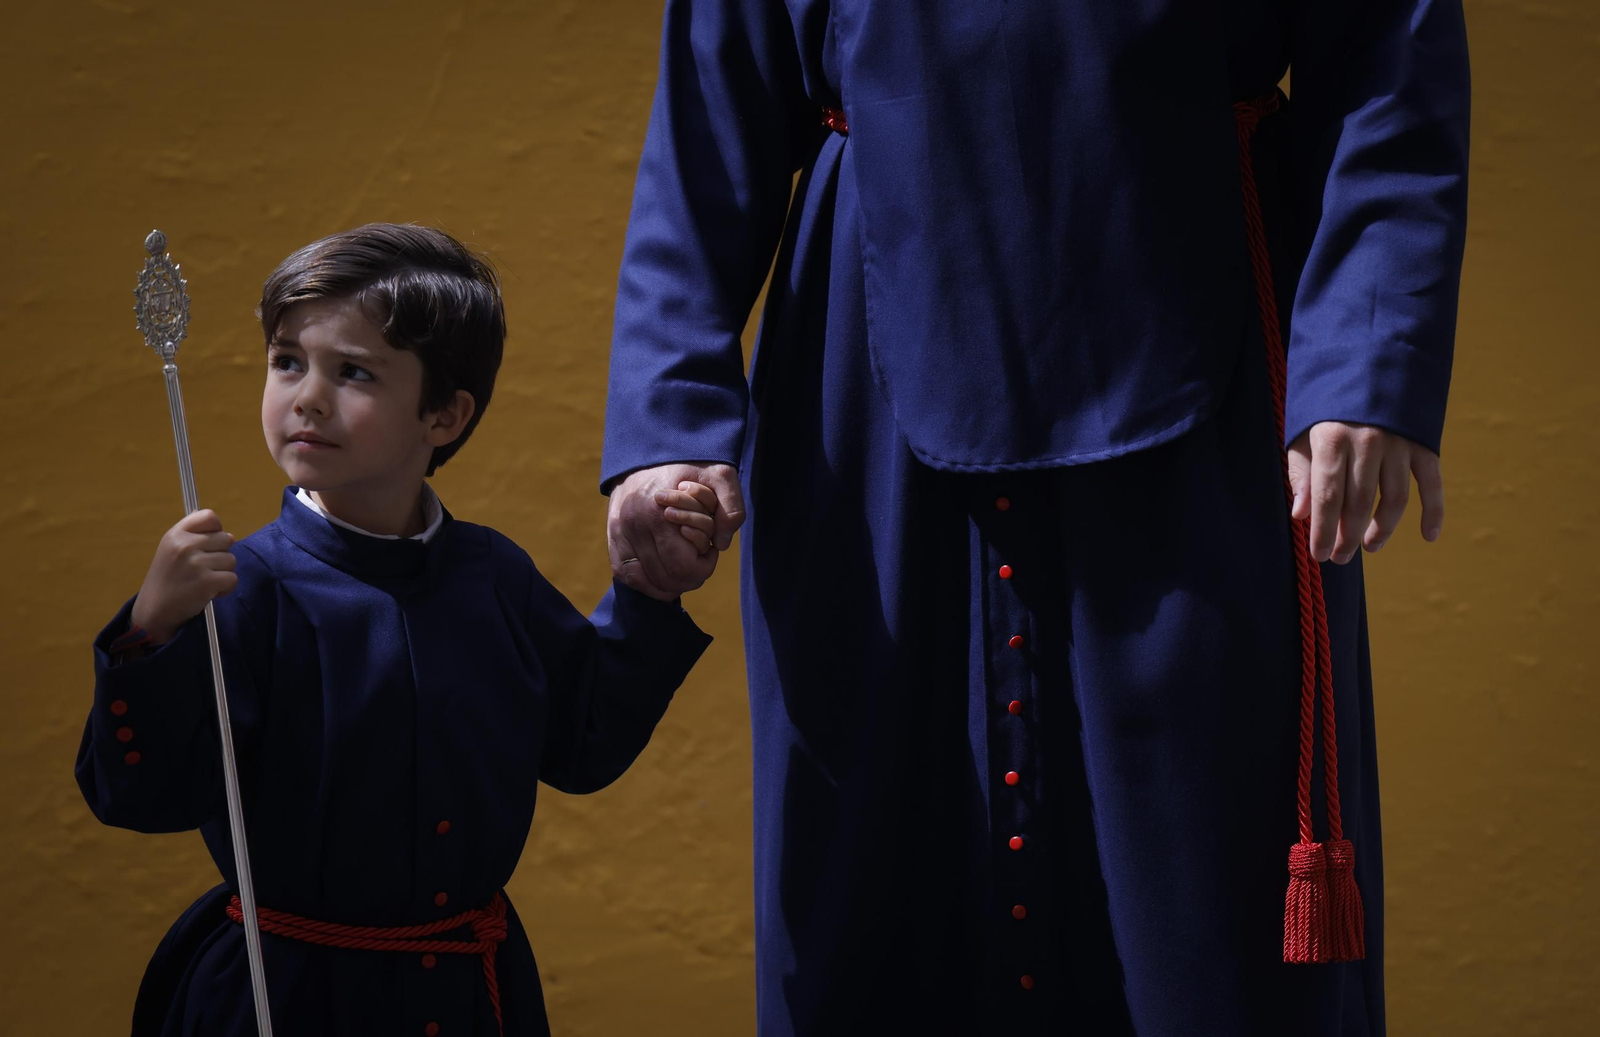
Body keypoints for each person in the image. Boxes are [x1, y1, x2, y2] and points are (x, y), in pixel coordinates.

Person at [602, 2, 1470, 1034]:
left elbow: (1387, 62)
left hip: (1212, 380)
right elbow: (710, 118)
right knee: (873, 887)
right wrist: (667, 414)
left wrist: (1367, 363)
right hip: (866, 376)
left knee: (1208, 899)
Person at [76, 223, 718, 1036]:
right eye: (286, 361)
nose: (306, 396)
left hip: (465, 996)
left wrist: (646, 595)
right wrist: (153, 629)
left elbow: (582, 744)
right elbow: (141, 795)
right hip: (283, 995)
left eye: (352, 372)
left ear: (445, 415)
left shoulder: (495, 576)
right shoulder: (239, 590)